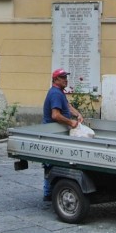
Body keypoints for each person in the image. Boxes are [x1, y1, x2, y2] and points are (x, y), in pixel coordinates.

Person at [42, 69, 83, 200]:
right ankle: (48, 193)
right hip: (52, 135)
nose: (66, 79)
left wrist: (77, 114)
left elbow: (67, 106)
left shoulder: (59, 92)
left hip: (56, 134)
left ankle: (49, 192)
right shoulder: (55, 93)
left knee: (54, 164)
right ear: (55, 80)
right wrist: (71, 122)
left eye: (66, 77)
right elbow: (55, 115)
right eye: (62, 77)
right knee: (52, 164)